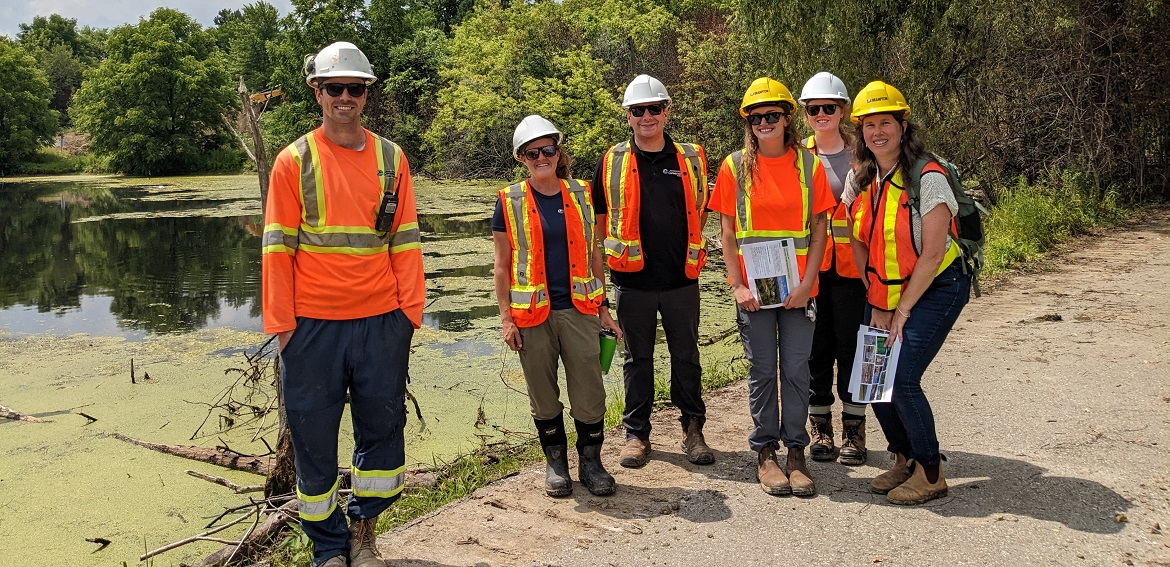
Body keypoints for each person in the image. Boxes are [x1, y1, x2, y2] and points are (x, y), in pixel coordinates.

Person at [261, 41, 424, 567]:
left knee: (382, 429)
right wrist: (283, 327)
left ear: (366, 94)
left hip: (381, 323)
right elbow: (277, 249)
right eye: (335, 88)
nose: (345, 97)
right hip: (313, 328)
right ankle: (328, 549)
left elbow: (405, 241)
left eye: (355, 88)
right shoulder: (294, 161)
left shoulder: (391, 157)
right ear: (318, 92)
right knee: (313, 440)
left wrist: (408, 316)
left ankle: (364, 536)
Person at [842, 80, 972, 505]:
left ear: (903, 125)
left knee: (901, 378)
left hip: (937, 287)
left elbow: (933, 255)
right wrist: (876, 296)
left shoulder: (928, 177)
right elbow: (856, 235)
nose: (877, 132)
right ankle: (904, 459)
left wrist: (899, 312)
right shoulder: (860, 177)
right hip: (885, 290)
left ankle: (931, 472)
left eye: (886, 123)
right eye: (869, 125)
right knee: (871, 377)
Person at [709, 77, 834, 496]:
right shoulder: (734, 166)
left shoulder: (809, 165)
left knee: (796, 368)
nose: (765, 122)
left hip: (799, 288)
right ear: (749, 122)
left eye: (772, 115)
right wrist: (736, 284)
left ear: (787, 118)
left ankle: (796, 451)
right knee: (763, 370)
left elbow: (819, 230)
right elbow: (727, 232)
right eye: (757, 117)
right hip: (754, 289)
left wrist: (809, 282)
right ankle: (765, 452)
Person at [492, 115, 621, 498]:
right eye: (533, 153)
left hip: (579, 310)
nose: (542, 157)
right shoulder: (509, 200)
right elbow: (501, 265)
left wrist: (603, 308)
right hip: (531, 316)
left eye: (548, 149)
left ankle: (592, 462)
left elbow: (594, 253)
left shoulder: (581, 193)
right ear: (522, 158)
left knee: (589, 391)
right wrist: (505, 319)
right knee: (543, 395)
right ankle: (556, 464)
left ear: (558, 150)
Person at [591, 74, 713, 468]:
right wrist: (598, 289)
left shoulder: (691, 158)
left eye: (654, 109)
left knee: (686, 357)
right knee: (636, 359)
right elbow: (598, 224)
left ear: (666, 111)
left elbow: (703, 209)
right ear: (628, 116)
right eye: (639, 110)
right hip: (632, 282)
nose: (647, 116)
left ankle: (693, 429)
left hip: (681, 279)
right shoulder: (611, 162)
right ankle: (636, 434)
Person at [798, 72, 870, 466]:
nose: (822, 114)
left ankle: (854, 432)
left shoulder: (863, 154)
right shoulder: (797, 155)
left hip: (854, 271)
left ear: (843, 110)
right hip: (811, 269)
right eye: (814, 109)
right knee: (815, 350)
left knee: (852, 349)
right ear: (806, 114)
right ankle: (820, 428)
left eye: (830, 107)